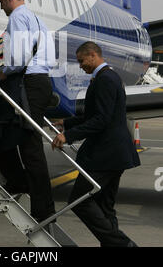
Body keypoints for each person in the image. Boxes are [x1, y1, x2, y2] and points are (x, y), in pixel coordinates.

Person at [52, 41, 140, 247]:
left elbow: (102, 120)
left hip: (106, 155)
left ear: (93, 55)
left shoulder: (106, 79)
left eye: (82, 61)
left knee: (79, 201)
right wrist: (67, 123)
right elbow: (94, 115)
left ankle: (122, 245)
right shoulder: (104, 77)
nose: (81, 66)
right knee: (104, 207)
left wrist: (69, 135)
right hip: (115, 154)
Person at [0, 0, 56, 223]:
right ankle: (24, 187)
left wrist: (5, 70)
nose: (1, 9)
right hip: (40, 82)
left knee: (29, 146)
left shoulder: (17, 17)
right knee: (16, 135)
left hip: (27, 82)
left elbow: (19, 57)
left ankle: (42, 208)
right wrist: (0, 45)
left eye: (1, 3)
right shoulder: (36, 19)